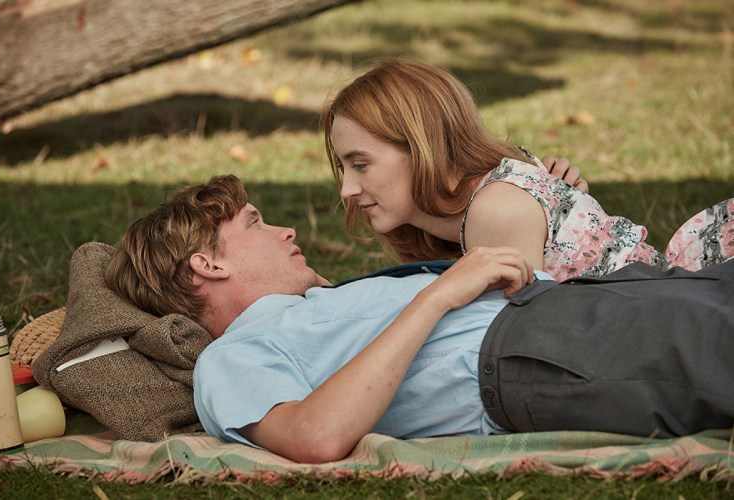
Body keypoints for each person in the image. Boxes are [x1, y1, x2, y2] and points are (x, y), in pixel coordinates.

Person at [106, 174, 734, 464]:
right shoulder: (230, 358)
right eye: (255, 225)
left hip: (577, 306)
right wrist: (438, 295)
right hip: (536, 352)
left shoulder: (309, 309)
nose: (286, 229)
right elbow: (312, 437)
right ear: (205, 266)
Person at [322, 57, 734, 281]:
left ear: (422, 148)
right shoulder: (480, 202)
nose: (348, 190)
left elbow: (519, 340)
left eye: (360, 164)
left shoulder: (495, 210)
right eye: (344, 167)